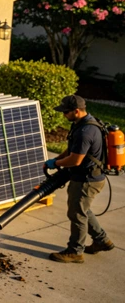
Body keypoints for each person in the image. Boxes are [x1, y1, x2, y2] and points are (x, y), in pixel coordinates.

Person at [46, 95, 115, 263]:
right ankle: (101, 240)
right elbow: (71, 150)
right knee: (83, 209)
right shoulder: (82, 123)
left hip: (87, 180)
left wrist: (56, 162)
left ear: (76, 111)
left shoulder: (86, 131)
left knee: (77, 213)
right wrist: (57, 160)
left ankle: (75, 251)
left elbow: (75, 160)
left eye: (66, 112)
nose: (63, 115)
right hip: (89, 177)